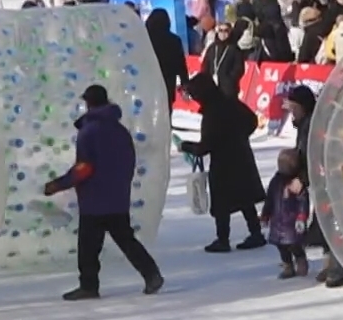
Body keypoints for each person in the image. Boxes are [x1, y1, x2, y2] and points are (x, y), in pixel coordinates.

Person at [41, 84, 164, 300]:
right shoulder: (120, 130)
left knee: (88, 248)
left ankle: (89, 286)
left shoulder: (89, 132)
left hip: (94, 200)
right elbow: (129, 161)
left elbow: (84, 168)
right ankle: (151, 274)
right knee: (127, 240)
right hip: (117, 198)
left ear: (88, 103)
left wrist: (58, 185)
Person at [179, 72, 267, 252]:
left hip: (223, 163)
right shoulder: (230, 102)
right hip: (241, 155)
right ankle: (256, 233)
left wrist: (185, 146)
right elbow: (252, 120)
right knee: (245, 198)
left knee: (221, 203)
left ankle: (222, 239)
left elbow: (206, 146)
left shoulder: (212, 114)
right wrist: (241, 136)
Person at [261, 148, 311, 278]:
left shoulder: (296, 184)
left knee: (294, 244)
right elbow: (270, 199)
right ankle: (287, 265)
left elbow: (303, 202)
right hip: (277, 221)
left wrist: (301, 217)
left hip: (292, 222)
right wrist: (265, 214)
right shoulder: (275, 181)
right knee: (281, 246)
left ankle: (300, 259)